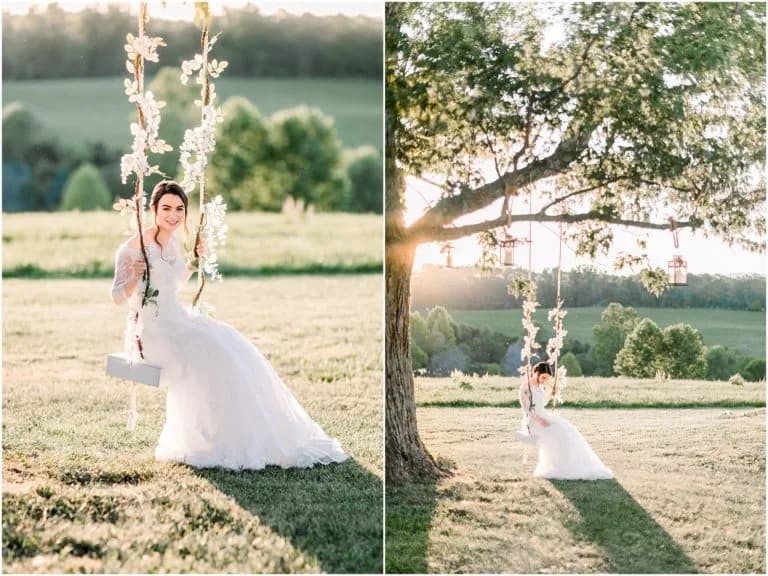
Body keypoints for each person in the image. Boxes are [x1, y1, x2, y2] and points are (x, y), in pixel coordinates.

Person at [111, 180, 348, 470]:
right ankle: (208, 440)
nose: (173, 215)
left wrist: (196, 260)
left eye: (179, 209)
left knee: (229, 343)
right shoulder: (132, 247)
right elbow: (117, 297)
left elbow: (175, 283)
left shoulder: (172, 241)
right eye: (166, 209)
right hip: (151, 333)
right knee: (211, 349)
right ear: (153, 209)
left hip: (178, 320)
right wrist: (135, 276)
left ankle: (230, 437)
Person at [517, 361, 613, 480]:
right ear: (535, 373)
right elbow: (525, 407)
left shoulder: (540, 386)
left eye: (546, 378)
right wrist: (539, 419)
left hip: (544, 416)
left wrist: (552, 394)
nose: (543, 380)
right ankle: (559, 466)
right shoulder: (526, 387)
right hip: (533, 421)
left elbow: (542, 404)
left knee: (566, 428)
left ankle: (570, 465)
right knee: (559, 431)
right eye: (542, 377)